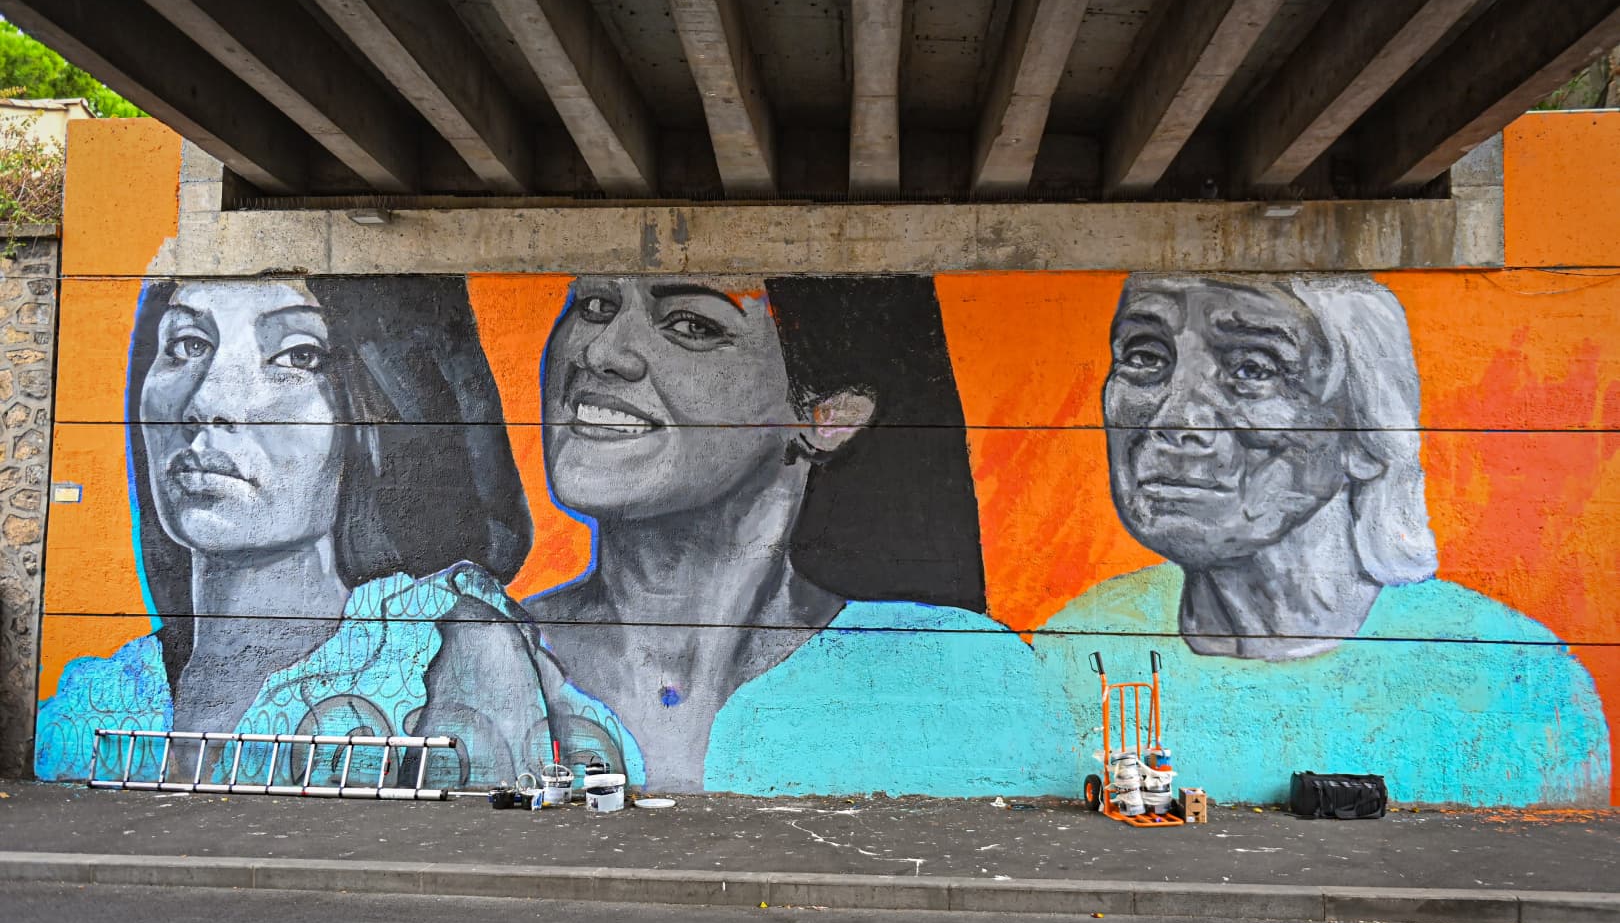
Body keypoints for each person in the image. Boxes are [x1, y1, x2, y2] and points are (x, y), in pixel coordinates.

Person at [1034, 273, 1610, 805]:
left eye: (1253, 368)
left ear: (1365, 434)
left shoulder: (1518, 679)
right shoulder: (1073, 644)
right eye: (1144, 357)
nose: (1176, 418)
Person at [519, 273, 1070, 794]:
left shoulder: (962, 673)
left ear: (827, 417)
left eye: (692, 325)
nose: (601, 352)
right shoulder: (481, 649)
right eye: (595, 305)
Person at [35, 275, 565, 788]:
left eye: (297, 357)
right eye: (188, 345)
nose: (208, 404)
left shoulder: (443, 650)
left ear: (371, 416)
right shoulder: (98, 699)